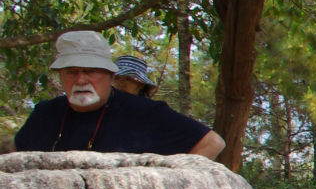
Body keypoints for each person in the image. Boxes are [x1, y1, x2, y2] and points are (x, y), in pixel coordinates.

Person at [12, 31, 226, 158]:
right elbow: (16, 157)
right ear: (60, 75)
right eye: (71, 72)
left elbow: (212, 143)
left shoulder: (146, 114)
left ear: (109, 75)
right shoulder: (45, 113)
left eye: (91, 72)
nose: (81, 80)